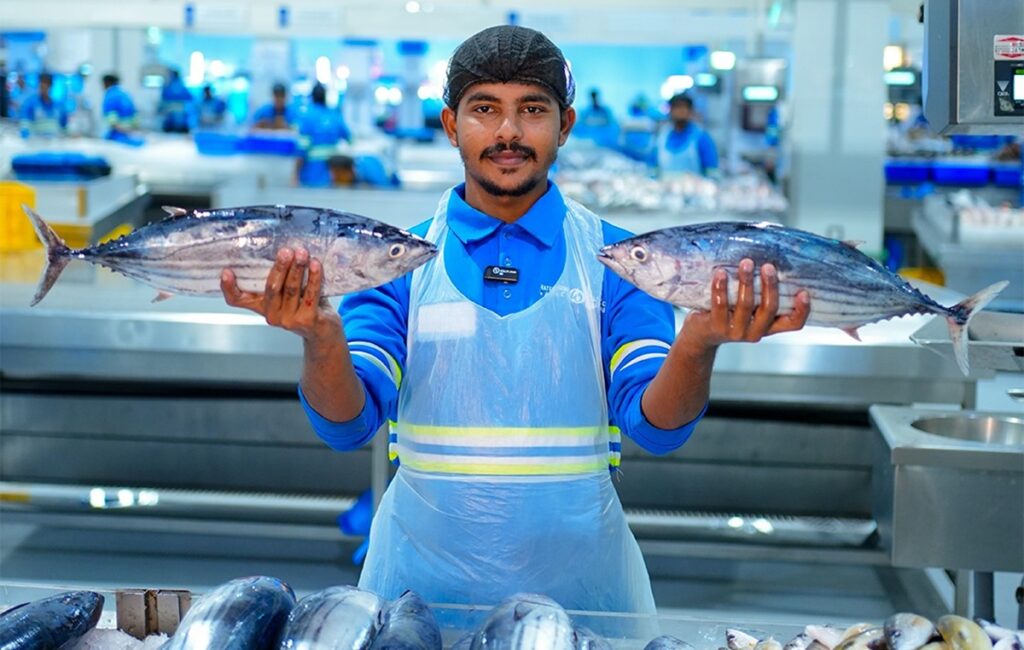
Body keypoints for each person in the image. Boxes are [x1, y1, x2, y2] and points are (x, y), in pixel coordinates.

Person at [220, 25, 809, 619]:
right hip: (418, 606)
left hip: (584, 607)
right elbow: (348, 425)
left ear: (565, 125)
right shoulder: (397, 262)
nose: (508, 131)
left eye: (532, 109)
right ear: (451, 126)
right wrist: (321, 338)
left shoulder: (620, 262)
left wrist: (698, 342)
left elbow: (657, 430)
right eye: (484, 109)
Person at [295, 83, 351, 187]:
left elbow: (302, 149)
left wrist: (295, 175)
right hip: (333, 174)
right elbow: (350, 138)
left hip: (312, 174)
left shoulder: (308, 117)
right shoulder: (334, 115)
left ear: (312, 97)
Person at [653, 93, 719, 178]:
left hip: (694, 186)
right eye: (677, 107)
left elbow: (712, 172)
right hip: (664, 185)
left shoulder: (701, 138)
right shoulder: (662, 138)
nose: (681, 111)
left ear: (691, 111)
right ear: (670, 110)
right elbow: (653, 169)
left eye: (685, 107)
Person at [19, 72, 66, 138]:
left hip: (55, 141)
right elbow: (24, 124)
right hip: (37, 141)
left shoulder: (58, 106)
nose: (42, 89)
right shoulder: (31, 103)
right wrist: (25, 133)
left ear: (50, 86)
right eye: (41, 86)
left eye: (45, 86)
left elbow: (64, 126)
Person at [101, 73, 138, 142]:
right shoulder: (126, 94)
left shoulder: (110, 96)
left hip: (118, 135)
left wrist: (122, 130)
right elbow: (135, 116)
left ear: (107, 83)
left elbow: (112, 121)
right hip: (130, 133)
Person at [159, 69, 194, 133]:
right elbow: (190, 97)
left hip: (172, 114)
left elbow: (163, 98)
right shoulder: (182, 86)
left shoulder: (169, 86)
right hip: (179, 114)